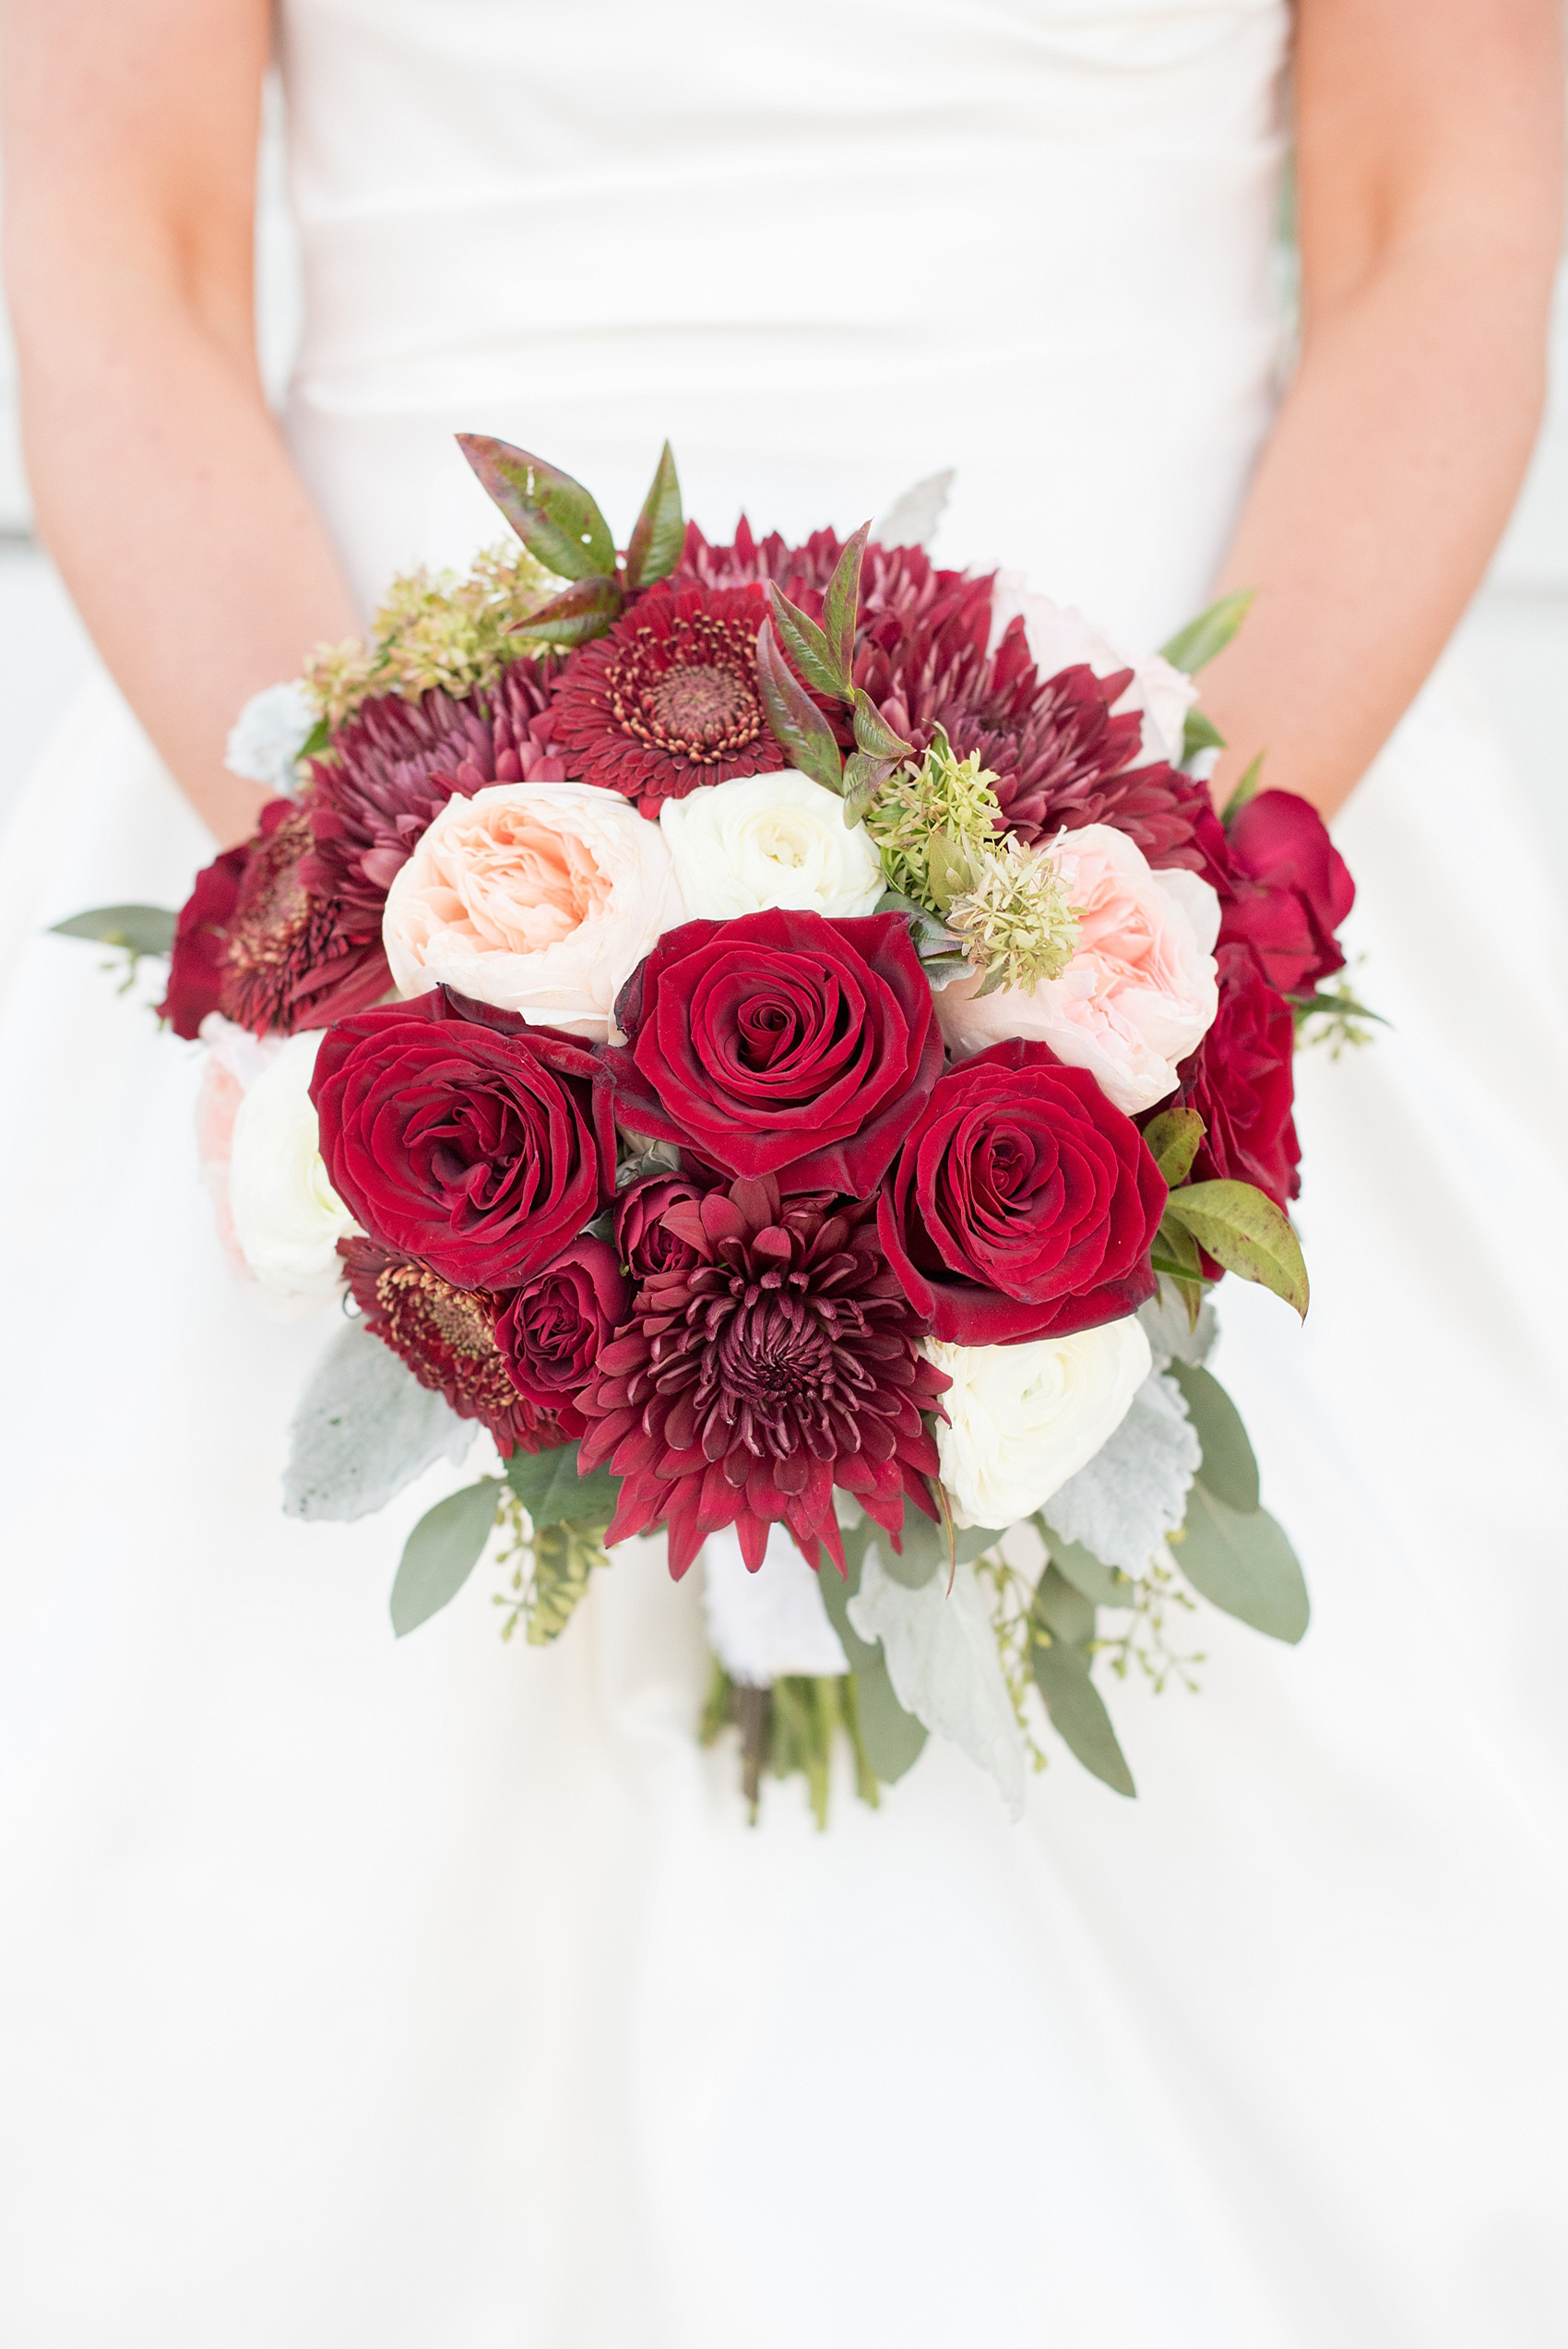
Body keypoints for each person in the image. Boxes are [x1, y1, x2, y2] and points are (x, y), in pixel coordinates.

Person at [1, 4, 1564, 2343]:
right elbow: (129, 241)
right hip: (361, 735)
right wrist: (390, 970)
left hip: (1203, 724)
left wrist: (1142, 978)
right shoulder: (391, 926)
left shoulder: (1155, 935)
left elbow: (1433, 211)